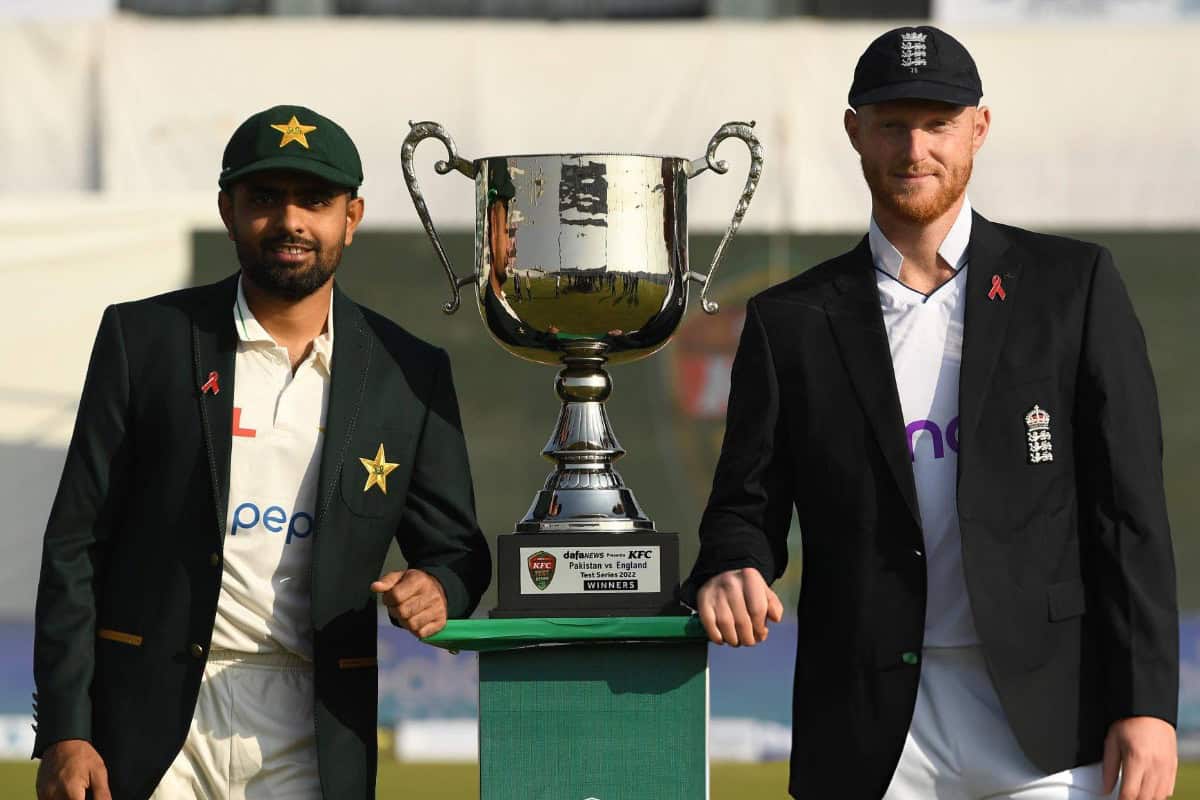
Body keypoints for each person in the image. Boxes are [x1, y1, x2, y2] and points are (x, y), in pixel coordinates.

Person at [682, 26, 1178, 800]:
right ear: (855, 132)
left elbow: (1130, 514)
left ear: (979, 127)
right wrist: (729, 566)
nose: (915, 148)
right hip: (867, 727)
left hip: (1049, 723)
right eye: (891, 124)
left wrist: (1147, 704)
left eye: (938, 124)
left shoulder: (1072, 288)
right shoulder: (791, 320)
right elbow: (745, 505)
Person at [32, 104, 491, 800]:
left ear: (352, 215)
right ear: (228, 209)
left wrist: (439, 589)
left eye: (315, 201)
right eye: (264, 200)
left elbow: (457, 550)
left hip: (315, 717)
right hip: (156, 715)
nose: (290, 222)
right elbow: (75, 543)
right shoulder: (144, 338)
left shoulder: (407, 370)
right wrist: (67, 731)